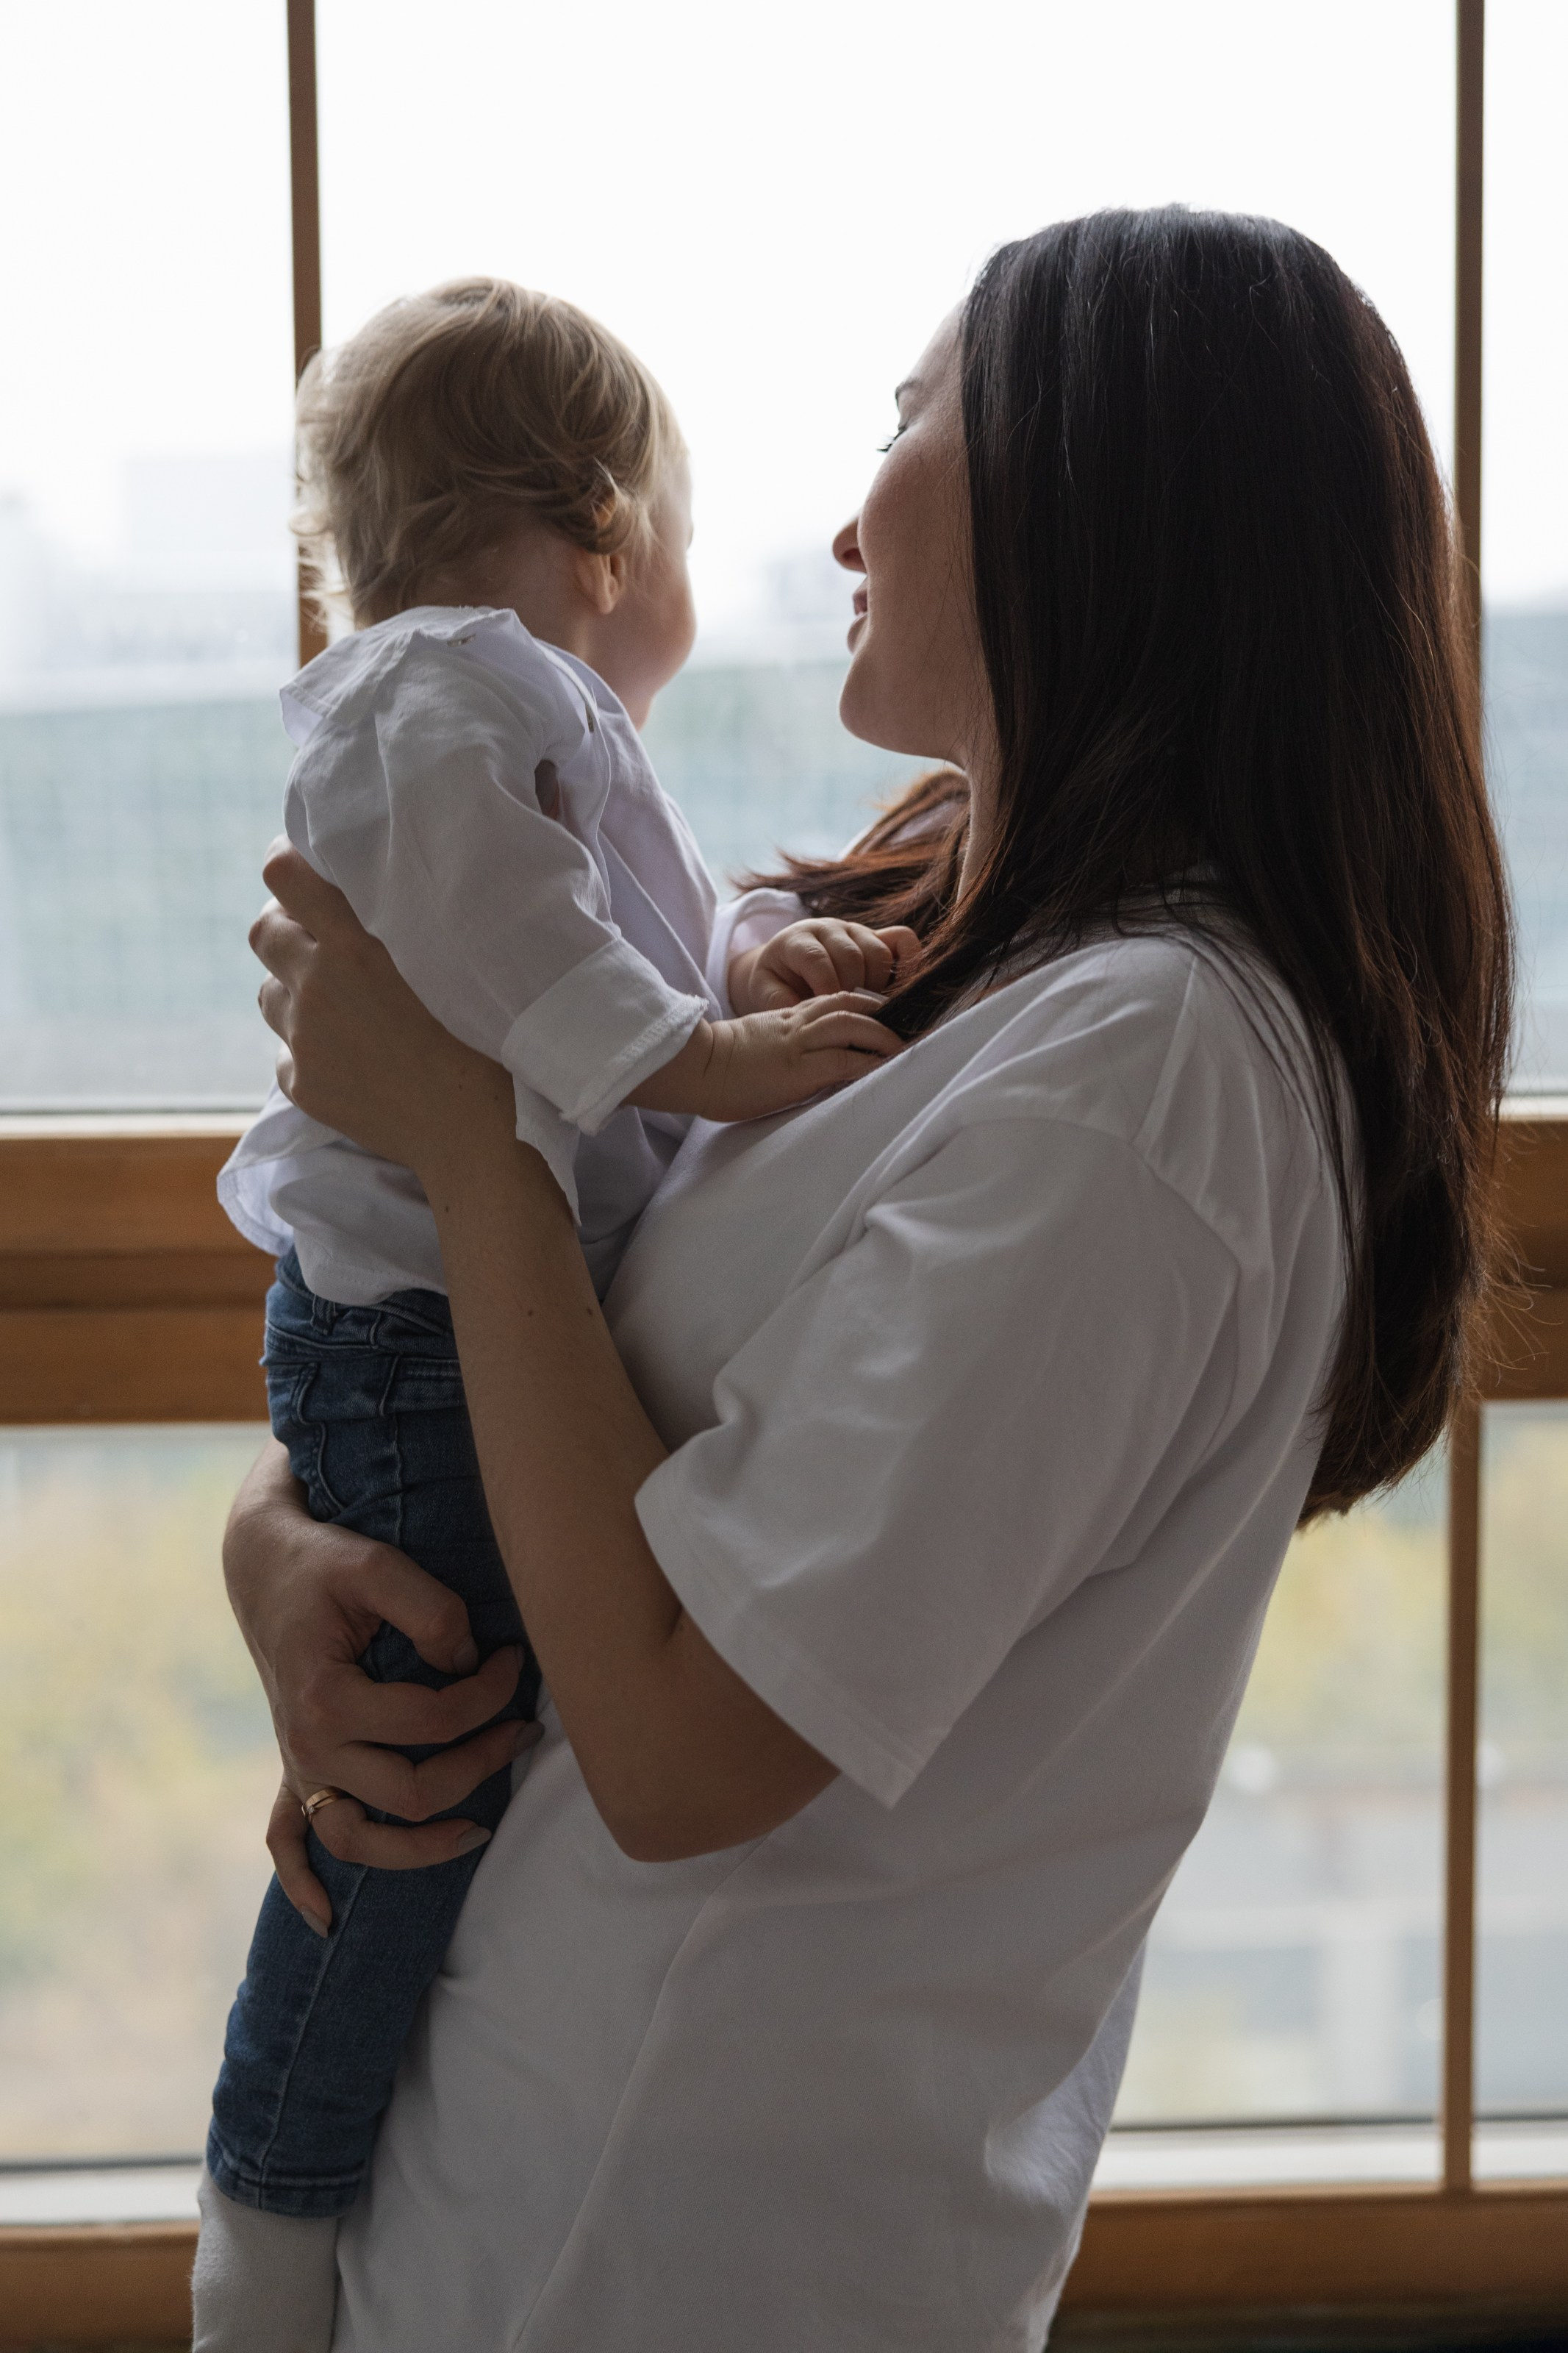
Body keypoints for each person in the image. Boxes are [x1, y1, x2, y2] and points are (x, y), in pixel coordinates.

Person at [215, 210, 1512, 2352]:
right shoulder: (941, 947)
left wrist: (465, 1136)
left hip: (675, 2260)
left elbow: (680, 1747)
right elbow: (595, 1408)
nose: (844, 505)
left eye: (915, 414)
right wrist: (288, 1560)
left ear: (1105, 493)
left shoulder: (1154, 1081)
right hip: (504, 2180)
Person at [199, 276, 911, 2324]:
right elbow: (515, 956)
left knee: (435, 1770)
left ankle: (302, 2174)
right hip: (418, 1341)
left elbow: (586, 946)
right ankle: (272, 2197)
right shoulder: (465, 685)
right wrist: (715, 1060)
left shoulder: (493, 698)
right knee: (412, 1789)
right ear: (611, 532)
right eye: (684, 533)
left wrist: (736, 988)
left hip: (426, 1326)